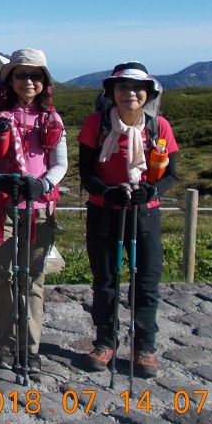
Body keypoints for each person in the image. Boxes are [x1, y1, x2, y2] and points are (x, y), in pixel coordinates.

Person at [78, 62, 179, 378]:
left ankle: (144, 347)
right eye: (123, 88)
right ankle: (105, 341)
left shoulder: (159, 127)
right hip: (104, 211)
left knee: (146, 281)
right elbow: (86, 173)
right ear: (111, 92)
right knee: (106, 281)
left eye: (137, 88)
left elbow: (171, 174)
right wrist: (108, 193)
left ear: (148, 93)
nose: (130, 94)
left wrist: (149, 191)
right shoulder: (96, 124)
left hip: (144, 212)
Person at [0, 49, 67, 374]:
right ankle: (3, 344)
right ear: (10, 80)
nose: (28, 81)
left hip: (39, 210)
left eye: (35, 76)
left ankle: (29, 347)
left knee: (32, 280)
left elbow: (60, 163)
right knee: (1, 277)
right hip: (1, 208)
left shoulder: (52, 119)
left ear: (44, 81)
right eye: (21, 75)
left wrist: (43, 185)